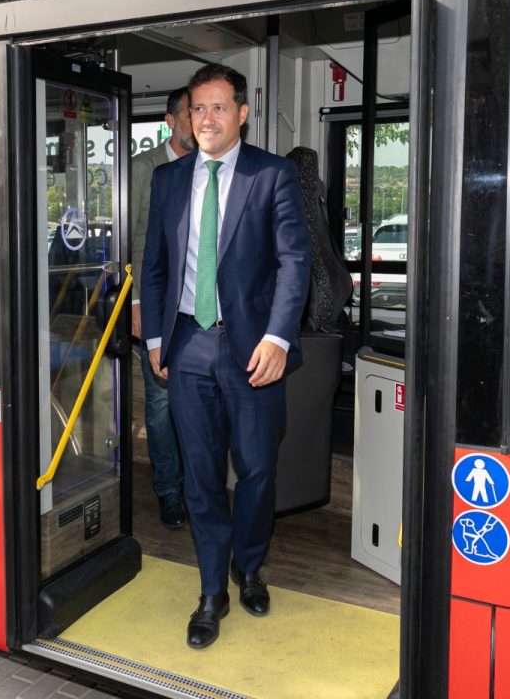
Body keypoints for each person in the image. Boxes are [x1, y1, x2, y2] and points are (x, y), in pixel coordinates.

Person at [141, 63, 310, 649]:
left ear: (241, 112)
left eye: (217, 107)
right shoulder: (168, 180)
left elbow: (295, 262)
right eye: (197, 108)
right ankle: (213, 589)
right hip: (187, 344)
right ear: (186, 117)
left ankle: (250, 566)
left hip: (254, 350)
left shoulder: (273, 174)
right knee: (200, 477)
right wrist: (158, 340)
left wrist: (279, 336)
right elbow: (156, 267)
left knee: (259, 469)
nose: (206, 118)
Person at [129, 87, 195, 530]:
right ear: (171, 121)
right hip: (154, 306)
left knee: (198, 404)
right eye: (193, 113)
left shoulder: (209, 168)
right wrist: (136, 302)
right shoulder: (142, 169)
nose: (203, 122)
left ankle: (197, 488)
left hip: (200, 312)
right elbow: (132, 238)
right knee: (160, 403)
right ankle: (169, 492)